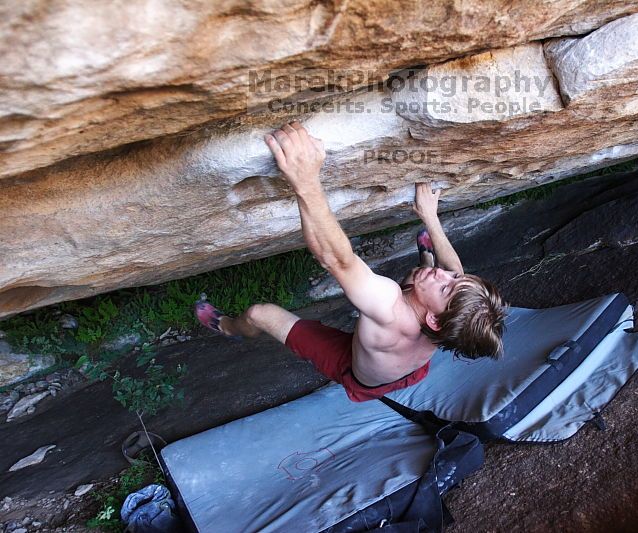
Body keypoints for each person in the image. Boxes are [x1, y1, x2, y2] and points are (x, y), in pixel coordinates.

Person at [195, 122, 507, 402]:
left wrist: (305, 181)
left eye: (446, 288)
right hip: (409, 367)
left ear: (435, 322)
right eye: (454, 281)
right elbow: (456, 273)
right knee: (419, 275)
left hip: (359, 374)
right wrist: (430, 217)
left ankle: (232, 328)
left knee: (259, 313)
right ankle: (422, 252)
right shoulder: (453, 324)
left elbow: (334, 259)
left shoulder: (387, 307)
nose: (445, 274)